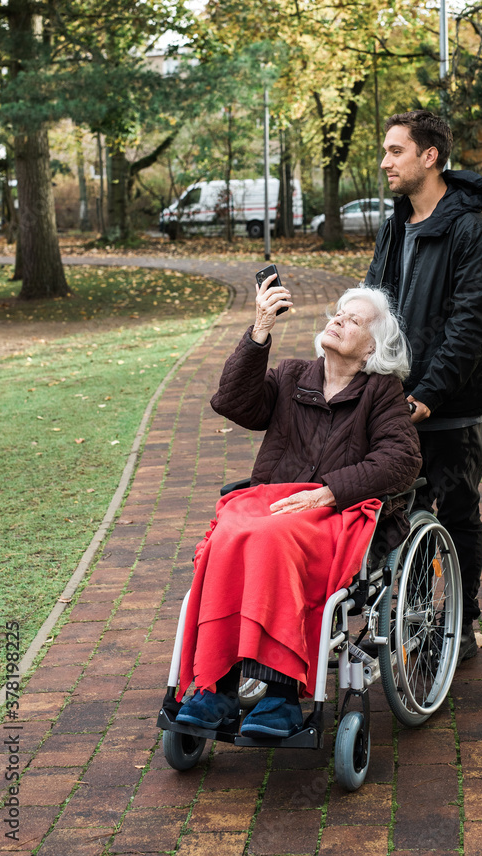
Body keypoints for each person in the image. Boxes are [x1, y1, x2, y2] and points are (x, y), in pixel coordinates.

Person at [174, 277, 421, 737]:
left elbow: (402, 459)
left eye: (355, 319)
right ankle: (218, 687)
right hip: (273, 506)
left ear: (371, 348)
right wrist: (260, 329)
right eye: (338, 313)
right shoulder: (291, 376)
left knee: (271, 539)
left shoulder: (381, 391)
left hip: (336, 515)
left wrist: (329, 490)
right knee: (225, 536)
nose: (339, 319)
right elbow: (232, 402)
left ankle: (281, 694)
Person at [365, 110, 482, 663]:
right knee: (400, 517)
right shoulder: (396, 223)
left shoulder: (473, 231)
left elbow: (472, 325)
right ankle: (418, 620)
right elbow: (376, 303)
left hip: (449, 410)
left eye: (395, 150)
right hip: (396, 403)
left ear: (430, 156)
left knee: (456, 516)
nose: (385, 162)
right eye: (385, 150)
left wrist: (428, 395)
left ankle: (461, 622)